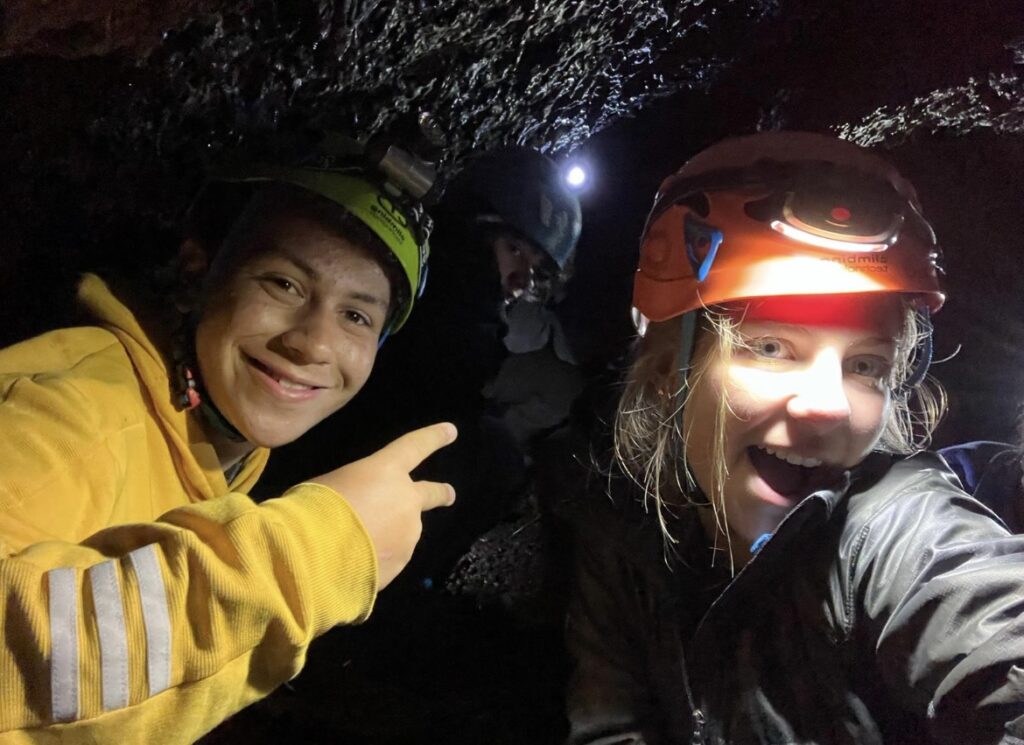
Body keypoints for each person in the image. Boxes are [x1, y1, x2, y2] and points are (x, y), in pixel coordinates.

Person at [561, 131, 1024, 744]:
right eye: (771, 347)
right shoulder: (624, 545)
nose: (828, 406)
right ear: (672, 369)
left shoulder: (892, 529)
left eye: (866, 366)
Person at [0, 146, 458, 743]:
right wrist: (302, 556)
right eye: (285, 284)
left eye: (356, 317)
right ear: (198, 272)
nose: (313, 343)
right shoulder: (76, 419)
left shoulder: (219, 451)